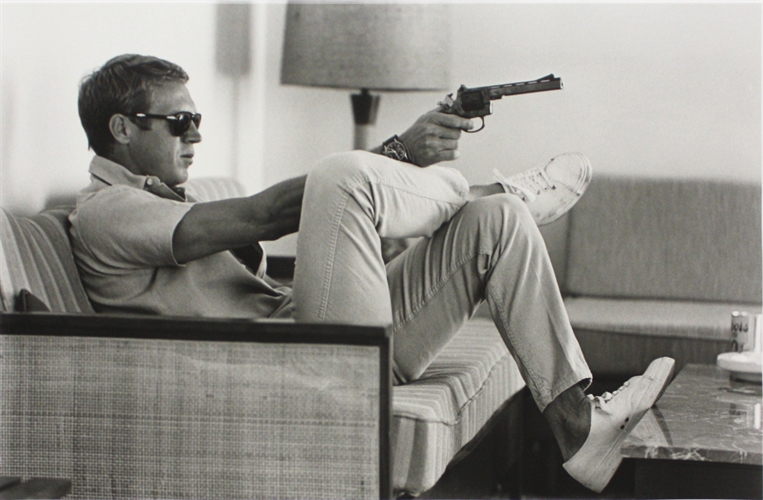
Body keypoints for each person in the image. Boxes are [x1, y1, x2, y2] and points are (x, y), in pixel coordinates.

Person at [70, 53, 674, 493]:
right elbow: (271, 213)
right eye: (179, 122)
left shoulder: (166, 201)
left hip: (317, 335)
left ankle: (580, 428)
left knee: (500, 221)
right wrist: (400, 152)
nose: (197, 133)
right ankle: (486, 186)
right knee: (341, 176)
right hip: (297, 365)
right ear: (122, 129)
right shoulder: (108, 212)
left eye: (197, 117)